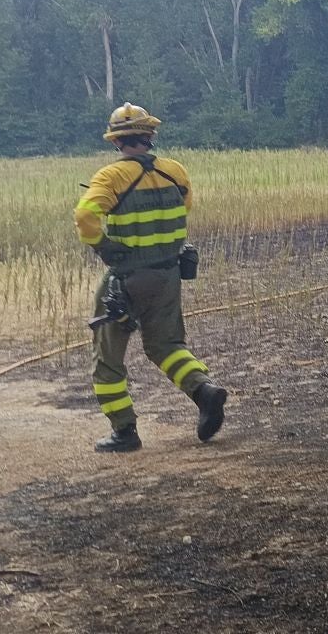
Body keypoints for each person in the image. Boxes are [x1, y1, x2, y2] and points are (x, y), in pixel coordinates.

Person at [75, 103, 226, 453]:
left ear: (116, 142)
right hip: (168, 274)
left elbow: (85, 216)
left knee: (107, 357)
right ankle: (204, 391)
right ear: (150, 136)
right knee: (167, 346)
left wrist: (104, 247)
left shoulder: (111, 178)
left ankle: (124, 431)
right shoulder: (175, 171)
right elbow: (184, 207)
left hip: (126, 279)